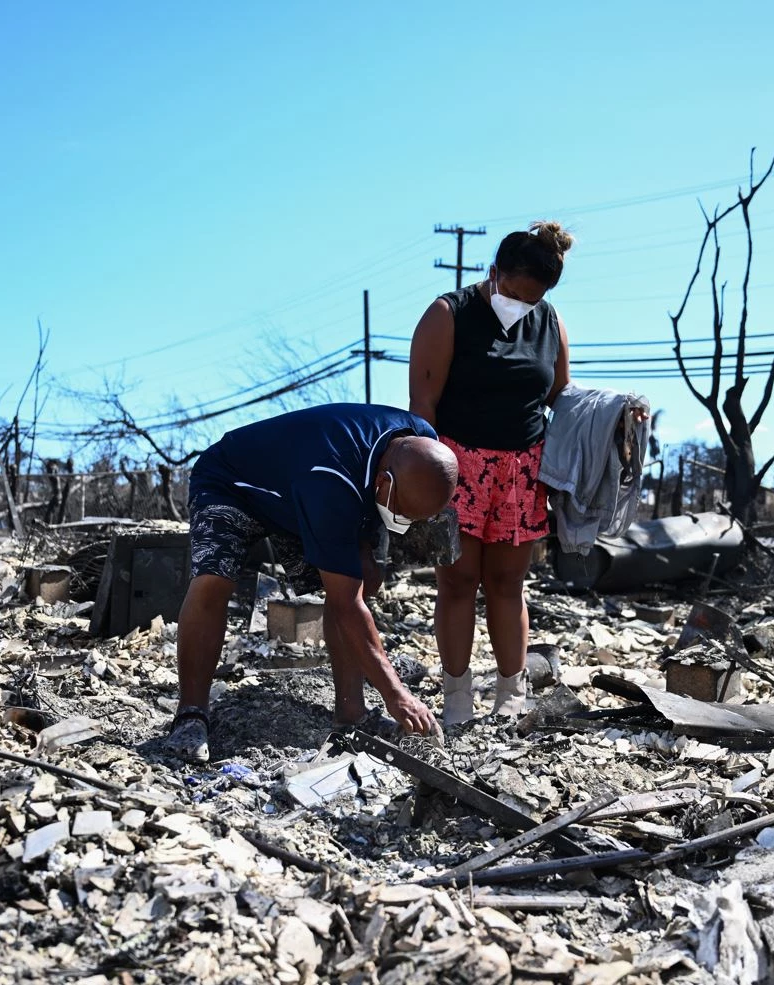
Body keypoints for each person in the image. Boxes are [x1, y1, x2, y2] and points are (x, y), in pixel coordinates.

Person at [163, 403, 458, 763]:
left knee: (362, 580)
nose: (405, 523)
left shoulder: (421, 442)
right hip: (232, 482)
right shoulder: (330, 481)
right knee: (214, 580)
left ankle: (352, 716)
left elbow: (354, 578)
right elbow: (346, 603)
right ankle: (190, 714)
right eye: (403, 514)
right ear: (385, 483)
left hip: (305, 487)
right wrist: (397, 694)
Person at [408, 221, 573, 725]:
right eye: (515, 292)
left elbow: (562, 400)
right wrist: (427, 484)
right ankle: (457, 695)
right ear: (493, 272)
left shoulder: (551, 324)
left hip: (522, 472)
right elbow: (422, 404)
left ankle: (511, 694)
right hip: (457, 466)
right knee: (457, 582)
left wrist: (620, 413)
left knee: (508, 584)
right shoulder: (448, 314)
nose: (521, 304)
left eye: (533, 298)